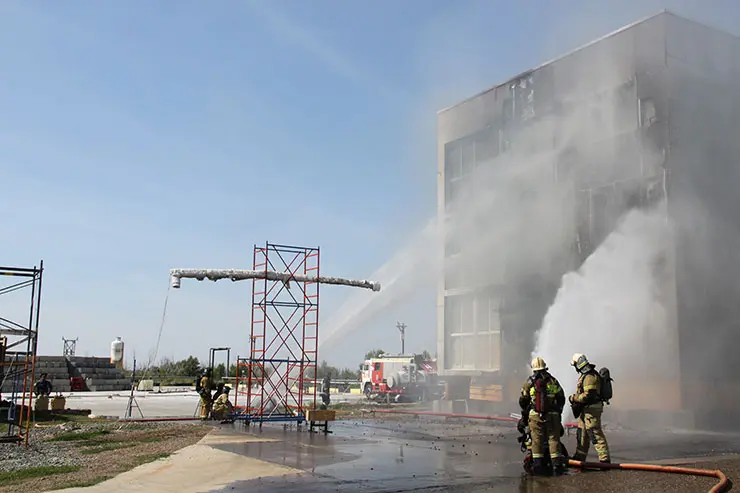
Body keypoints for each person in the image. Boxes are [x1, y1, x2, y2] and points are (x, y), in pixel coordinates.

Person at [519, 357, 566, 475]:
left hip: (535, 416)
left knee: (536, 440)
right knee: (554, 439)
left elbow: (523, 400)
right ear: (545, 367)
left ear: (534, 369)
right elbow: (561, 397)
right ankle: (557, 466)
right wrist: (558, 412)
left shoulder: (529, 382)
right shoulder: (553, 381)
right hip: (553, 415)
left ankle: (538, 466)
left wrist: (526, 412)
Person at [569, 353, 611, 463]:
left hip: (591, 410)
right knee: (582, 433)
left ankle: (604, 459)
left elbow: (589, 395)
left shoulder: (590, 377)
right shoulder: (586, 375)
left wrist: (574, 398)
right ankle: (580, 456)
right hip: (585, 410)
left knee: (594, 432)